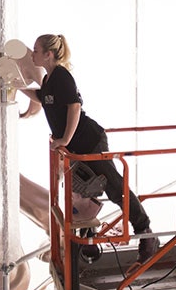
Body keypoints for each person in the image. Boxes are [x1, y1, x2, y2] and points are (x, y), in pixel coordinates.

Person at [24, 34, 159, 263]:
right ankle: (89, 241)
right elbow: (42, 97)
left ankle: (146, 233)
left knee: (115, 187)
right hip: (75, 147)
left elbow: (74, 108)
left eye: (35, 50)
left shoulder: (62, 76)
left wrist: (64, 139)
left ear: (48, 54)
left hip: (89, 141)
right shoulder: (49, 80)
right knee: (83, 192)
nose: (31, 54)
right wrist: (15, 86)